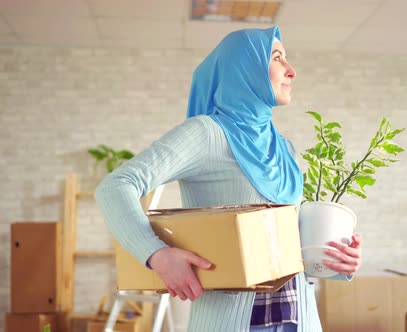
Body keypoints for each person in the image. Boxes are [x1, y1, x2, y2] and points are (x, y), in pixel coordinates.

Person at [95, 26, 362, 332]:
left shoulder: (284, 147)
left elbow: (287, 247)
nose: (291, 71)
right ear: (245, 67)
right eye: (277, 58)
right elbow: (115, 187)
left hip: (301, 320)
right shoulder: (207, 134)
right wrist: (156, 255)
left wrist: (338, 261)